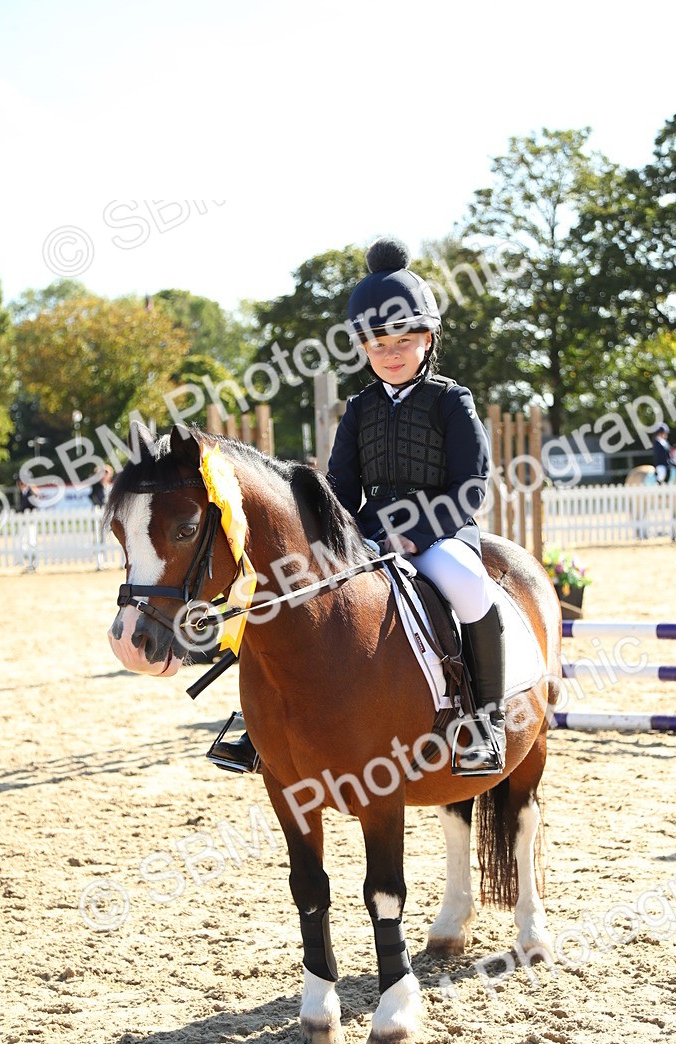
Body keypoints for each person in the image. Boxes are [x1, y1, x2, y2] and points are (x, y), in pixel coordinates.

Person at [212, 237, 506, 777]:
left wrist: (418, 533)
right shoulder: (360, 408)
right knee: (293, 592)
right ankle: (258, 722)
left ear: (428, 339)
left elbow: (471, 485)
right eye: (377, 345)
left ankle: (483, 721)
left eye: (403, 340)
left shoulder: (451, 400)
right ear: (364, 350)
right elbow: (341, 488)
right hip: (368, 534)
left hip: (440, 533)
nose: (391, 353)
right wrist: (328, 535)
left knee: (467, 586)